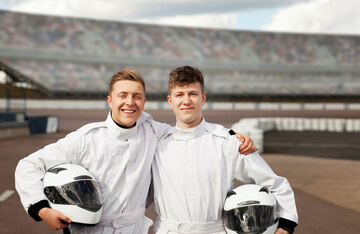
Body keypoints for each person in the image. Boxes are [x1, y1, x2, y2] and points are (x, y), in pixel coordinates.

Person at [15, 69, 256, 234]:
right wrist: (42, 209)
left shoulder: (155, 131)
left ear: (144, 101)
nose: (130, 102)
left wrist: (233, 136)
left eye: (137, 96)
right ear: (110, 100)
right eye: (123, 95)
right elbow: (28, 165)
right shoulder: (86, 137)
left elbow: (190, 129)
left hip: (135, 228)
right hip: (90, 229)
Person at [151, 66, 298, 234]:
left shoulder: (228, 141)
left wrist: (287, 223)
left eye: (193, 94)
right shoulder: (157, 143)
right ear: (170, 101)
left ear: (203, 98)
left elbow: (274, 183)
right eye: (179, 95)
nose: (186, 101)